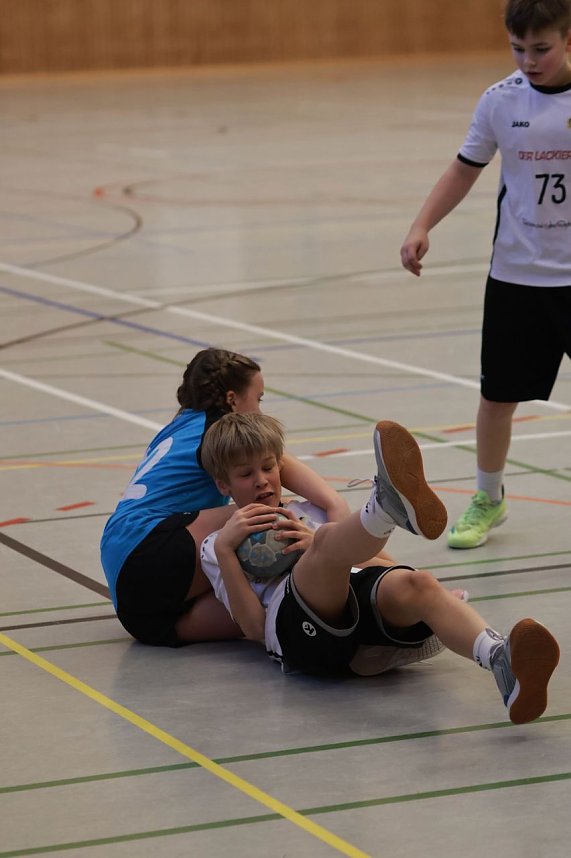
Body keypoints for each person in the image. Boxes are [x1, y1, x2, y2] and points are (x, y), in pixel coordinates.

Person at [199, 412, 559, 724]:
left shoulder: (309, 512)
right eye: (246, 474)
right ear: (223, 484)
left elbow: (384, 566)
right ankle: (385, 509)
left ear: (280, 466)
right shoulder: (217, 544)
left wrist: (320, 548)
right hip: (298, 637)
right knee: (326, 542)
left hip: (352, 617)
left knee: (418, 583)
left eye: (267, 467)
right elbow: (254, 628)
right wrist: (229, 552)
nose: (261, 479)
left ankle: (501, 660)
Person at [400, 0, 571, 549]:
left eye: (541, 48)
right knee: (498, 397)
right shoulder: (501, 101)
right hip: (517, 276)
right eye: (518, 48)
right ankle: (488, 497)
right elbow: (463, 168)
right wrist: (422, 223)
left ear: (568, 39)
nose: (528, 60)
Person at [100, 347, 350, 648]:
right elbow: (325, 498)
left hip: (136, 609)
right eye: (257, 400)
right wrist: (338, 544)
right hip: (148, 549)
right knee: (271, 511)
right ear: (232, 399)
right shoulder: (222, 433)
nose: (258, 411)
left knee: (269, 608)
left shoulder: (178, 427)